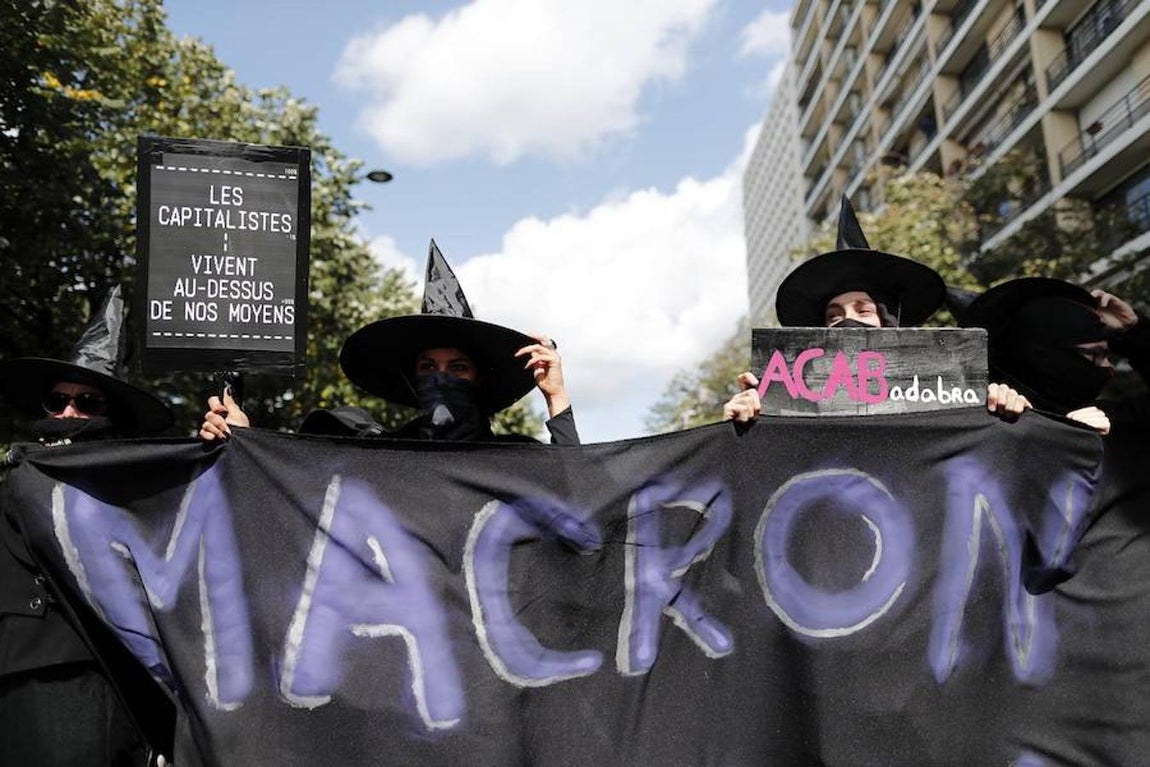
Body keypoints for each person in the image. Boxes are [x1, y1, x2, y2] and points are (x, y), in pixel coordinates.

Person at [0, 286, 174, 766]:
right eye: (57, 401)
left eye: (87, 403)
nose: (69, 414)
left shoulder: (140, 497)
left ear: (112, 420)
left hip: (99, 692)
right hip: (13, 690)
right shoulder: (12, 482)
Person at [202, 240, 580, 444]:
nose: (441, 377)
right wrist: (244, 443)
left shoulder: (515, 460)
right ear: (412, 378)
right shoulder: (380, 455)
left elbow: (580, 503)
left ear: (480, 377)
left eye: (457, 367)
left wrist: (556, 399)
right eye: (428, 367)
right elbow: (298, 496)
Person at [723, 196, 1029, 422]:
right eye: (833, 317)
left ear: (888, 320)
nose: (848, 322)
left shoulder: (944, 395)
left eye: (864, 311)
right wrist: (742, 427)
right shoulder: (791, 409)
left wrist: (1006, 414)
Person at [957, 277, 1149, 434]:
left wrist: (1135, 330)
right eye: (1098, 355)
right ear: (1048, 359)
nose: (1110, 369)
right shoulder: (994, 425)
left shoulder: (1114, 421)